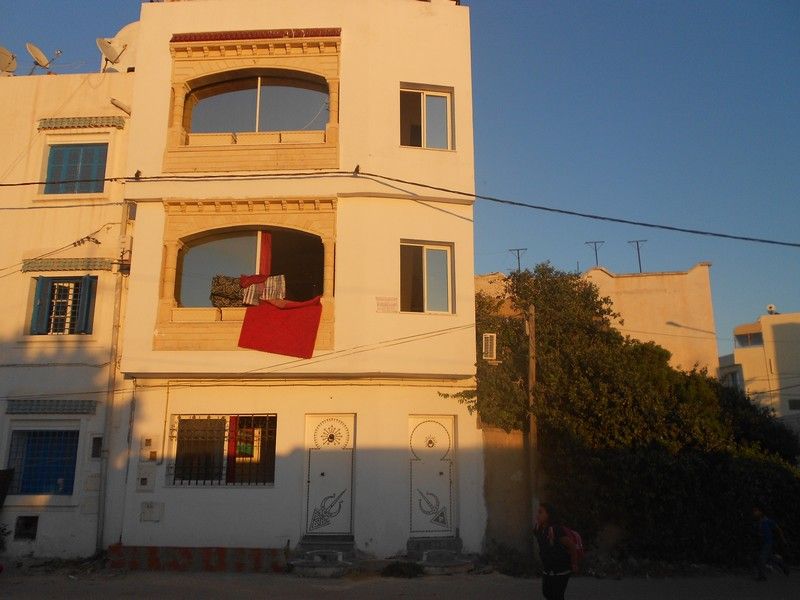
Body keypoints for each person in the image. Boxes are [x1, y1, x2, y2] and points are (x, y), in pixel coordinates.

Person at [534, 502, 579, 600]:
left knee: (557, 596)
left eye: (540, 512)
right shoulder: (539, 528)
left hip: (561, 569)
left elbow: (572, 546)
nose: (537, 515)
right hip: (548, 569)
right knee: (547, 593)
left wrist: (574, 564)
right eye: (538, 512)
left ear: (548, 515)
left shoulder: (556, 529)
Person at [752, 503, 790, 581]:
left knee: (762, 558)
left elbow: (778, 529)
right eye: (754, 511)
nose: (754, 513)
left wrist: (782, 538)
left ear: (761, 512)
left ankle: (762, 576)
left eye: (756, 511)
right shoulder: (757, 522)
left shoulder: (767, 521)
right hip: (762, 543)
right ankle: (784, 567)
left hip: (768, 542)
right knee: (771, 557)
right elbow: (757, 533)